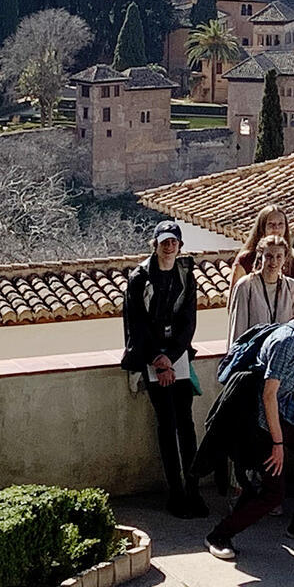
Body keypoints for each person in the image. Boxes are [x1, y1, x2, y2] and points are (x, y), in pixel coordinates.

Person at [205, 281, 294, 561]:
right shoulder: (288, 341)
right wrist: (278, 444)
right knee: (273, 493)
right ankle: (219, 535)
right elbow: (269, 395)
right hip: (260, 424)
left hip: (285, 417)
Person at [122, 220, 207, 519]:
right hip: (150, 356)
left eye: (174, 242)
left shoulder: (186, 274)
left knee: (186, 424)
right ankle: (176, 492)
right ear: (155, 245)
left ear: (180, 245)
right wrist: (158, 360)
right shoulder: (139, 277)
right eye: (164, 242)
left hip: (176, 354)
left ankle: (193, 489)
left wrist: (172, 356)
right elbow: (137, 324)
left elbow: (189, 320)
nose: (169, 247)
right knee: (167, 425)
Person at [228, 234, 294, 347]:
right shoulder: (246, 286)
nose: (273, 262)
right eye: (269, 256)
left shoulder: (291, 287)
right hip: (253, 357)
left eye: (279, 256)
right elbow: (238, 329)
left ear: (285, 258)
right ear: (260, 256)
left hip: (282, 356)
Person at [230, 204, 294, 287]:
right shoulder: (245, 260)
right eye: (271, 224)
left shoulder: (291, 262)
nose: (276, 229)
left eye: (281, 224)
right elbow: (234, 296)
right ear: (262, 228)